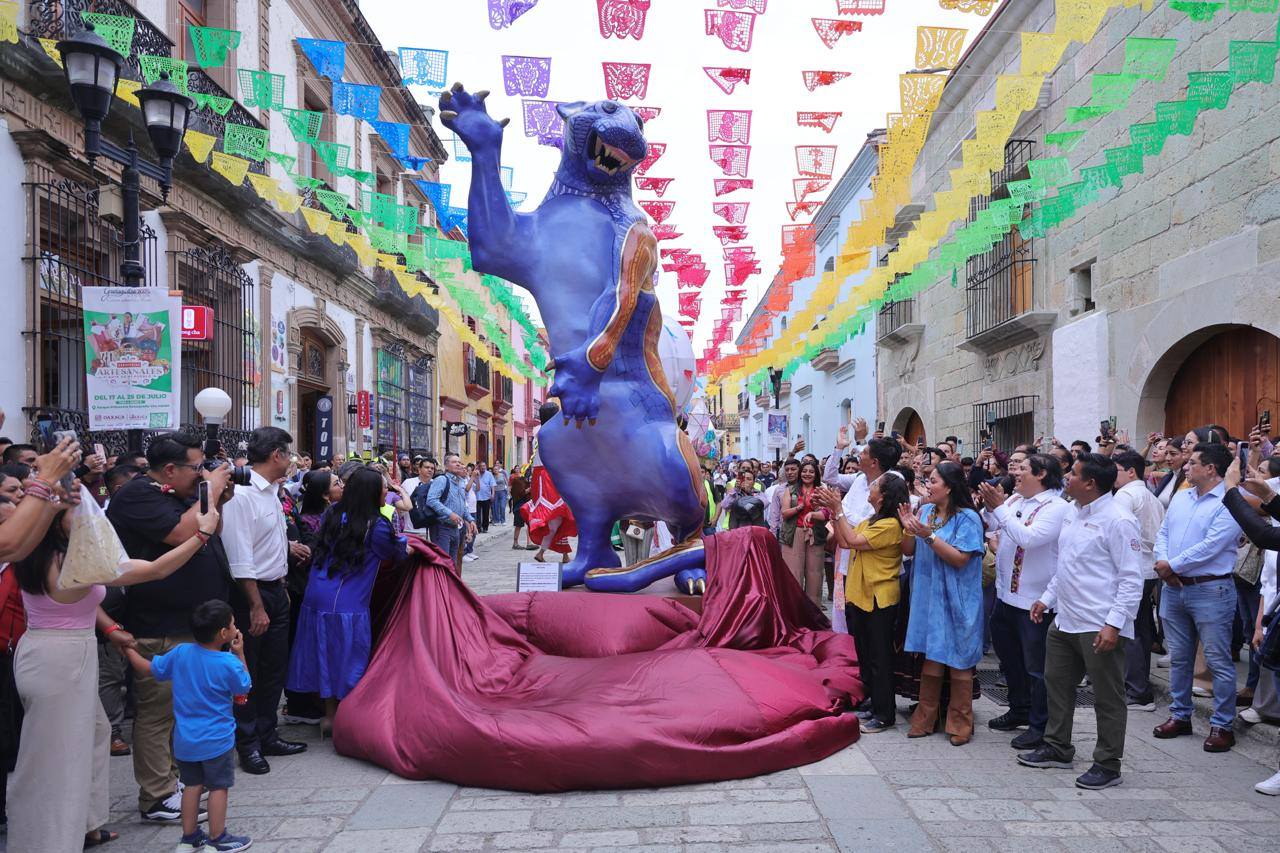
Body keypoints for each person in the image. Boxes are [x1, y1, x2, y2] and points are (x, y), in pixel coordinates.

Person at [9, 478, 218, 853]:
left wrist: (109, 627)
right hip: (60, 660)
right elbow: (155, 569)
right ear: (54, 520)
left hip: (58, 652)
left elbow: (79, 602)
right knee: (55, 754)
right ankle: (47, 841)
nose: (86, 516)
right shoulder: (67, 560)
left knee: (92, 735)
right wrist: (201, 535)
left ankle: (85, 825)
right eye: (75, 510)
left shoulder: (43, 554)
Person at [106, 432, 236, 822]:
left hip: (190, 622)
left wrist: (216, 499)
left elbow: (210, 530)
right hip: (160, 623)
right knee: (157, 711)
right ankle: (157, 794)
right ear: (168, 469)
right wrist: (211, 489)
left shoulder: (179, 493)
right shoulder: (137, 495)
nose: (201, 473)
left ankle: (173, 779)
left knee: (182, 709)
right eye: (196, 468)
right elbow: (181, 534)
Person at [1017, 453, 1144, 791]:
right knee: (1057, 684)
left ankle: (1107, 764)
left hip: (1099, 623)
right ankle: (1057, 746)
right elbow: (1066, 565)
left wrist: (1114, 624)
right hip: (1066, 620)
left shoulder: (1119, 519)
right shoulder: (1073, 512)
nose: (1066, 478)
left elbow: (1131, 579)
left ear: (1090, 483)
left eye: (1072, 473)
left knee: (1107, 696)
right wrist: (1047, 598)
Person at [122, 601, 253, 853]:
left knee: (191, 786)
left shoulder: (181, 652)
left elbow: (149, 668)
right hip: (217, 740)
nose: (235, 627)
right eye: (232, 624)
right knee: (218, 787)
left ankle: (189, 837)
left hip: (185, 741)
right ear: (223, 633)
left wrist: (128, 650)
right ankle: (217, 838)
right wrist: (240, 653)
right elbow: (244, 686)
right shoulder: (228, 662)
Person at [288, 468, 408, 735]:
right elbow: (396, 553)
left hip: (318, 593)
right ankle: (345, 717)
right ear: (371, 492)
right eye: (383, 487)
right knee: (346, 659)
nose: (387, 491)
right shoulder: (376, 525)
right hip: (346, 600)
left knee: (323, 655)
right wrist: (409, 547)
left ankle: (328, 714)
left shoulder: (333, 513)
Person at [219, 427, 308, 775]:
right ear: (276, 455)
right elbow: (239, 555)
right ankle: (248, 743)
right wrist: (256, 605)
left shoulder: (271, 492)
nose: (292, 461)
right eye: (290, 454)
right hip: (251, 594)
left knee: (273, 669)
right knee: (249, 670)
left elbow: (266, 539)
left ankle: (268, 733)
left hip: (275, 589)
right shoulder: (242, 496)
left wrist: (286, 553)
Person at [1151, 441, 1242, 752]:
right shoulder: (1182, 496)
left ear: (1211, 469)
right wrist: (1163, 564)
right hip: (1174, 587)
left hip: (1210, 589)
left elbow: (1213, 545)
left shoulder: (1229, 500)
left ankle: (1222, 724)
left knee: (1217, 659)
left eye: (1192, 463)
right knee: (1179, 657)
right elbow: (1163, 533)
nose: (1186, 467)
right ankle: (1180, 715)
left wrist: (1171, 565)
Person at [978, 454, 1073, 751]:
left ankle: (1040, 724)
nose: (1015, 474)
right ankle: (1018, 708)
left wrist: (1000, 510)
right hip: (1006, 596)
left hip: (1036, 601)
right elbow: (991, 523)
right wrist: (991, 506)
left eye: (1022, 469)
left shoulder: (1057, 507)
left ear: (1041, 474)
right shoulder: (1017, 500)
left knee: (1037, 668)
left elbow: (1029, 539)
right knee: (1011, 661)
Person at [898, 461, 985, 746]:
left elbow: (960, 559)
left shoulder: (968, 518)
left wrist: (929, 535)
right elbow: (908, 550)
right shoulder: (925, 512)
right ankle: (925, 719)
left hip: (958, 597)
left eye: (933, 481)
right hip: (927, 596)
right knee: (932, 656)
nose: (927, 485)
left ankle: (961, 723)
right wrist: (908, 528)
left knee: (959, 658)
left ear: (949, 487)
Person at [817, 474, 910, 733]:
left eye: (875, 485)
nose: (870, 487)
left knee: (880, 658)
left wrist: (838, 509)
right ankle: (873, 702)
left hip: (879, 598)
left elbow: (853, 541)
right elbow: (844, 541)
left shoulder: (890, 525)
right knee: (866, 655)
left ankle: (885, 714)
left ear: (883, 496)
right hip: (861, 596)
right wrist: (835, 512)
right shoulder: (872, 520)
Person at [1111, 449, 1166, 711]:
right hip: (1148, 569)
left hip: (1134, 569)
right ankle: (1138, 686)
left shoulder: (1126, 495)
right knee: (1141, 629)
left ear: (1131, 471)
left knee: (1129, 629)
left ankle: (1136, 690)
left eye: (1117, 471)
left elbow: (1117, 533)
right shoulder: (1151, 496)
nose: (1112, 476)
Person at [780, 460, 830, 605]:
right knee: (793, 573)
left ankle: (813, 610)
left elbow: (827, 513)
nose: (807, 474)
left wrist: (815, 512)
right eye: (804, 471)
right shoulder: (790, 490)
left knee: (815, 574)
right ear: (800, 473)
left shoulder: (821, 490)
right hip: (794, 533)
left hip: (815, 534)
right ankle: (794, 611)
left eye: (811, 471)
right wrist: (798, 508)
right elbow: (784, 513)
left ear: (816, 474)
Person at [426, 454, 476, 568]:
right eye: (454, 462)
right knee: (443, 564)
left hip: (455, 528)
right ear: (446, 466)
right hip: (442, 527)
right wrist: (450, 513)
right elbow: (431, 500)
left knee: (453, 564)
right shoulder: (442, 480)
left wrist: (470, 519)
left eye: (459, 462)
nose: (458, 464)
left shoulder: (460, 482)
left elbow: (462, 505)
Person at [765, 458, 799, 537]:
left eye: (793, 469)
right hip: (784, 532)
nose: (789, 472)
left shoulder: (805, 488)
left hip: (801, 530)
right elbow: (774, 514)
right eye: (787, 470)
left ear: (799, 470)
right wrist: (773, 534)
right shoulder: (779, 490)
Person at [509, 469, 533, 550]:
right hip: (519, 507)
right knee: (518, 525)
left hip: (526, 506)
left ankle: (529, 543)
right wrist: (529, 489)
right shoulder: (517, 482)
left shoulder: (525, 482)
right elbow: (520, 493)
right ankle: (515, 543)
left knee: (529, 524)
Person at [475, 461, 496, 533]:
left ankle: (485, 527)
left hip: (486, 496)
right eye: (481, 466)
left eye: (484, 466)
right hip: (477, 497)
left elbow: (492, 484)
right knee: (478, 514)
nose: (483, 467)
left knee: (486, 513)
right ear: (479, 467)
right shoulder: (476, 474)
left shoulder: (489, 474)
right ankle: (478, 527)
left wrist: (493, 494)